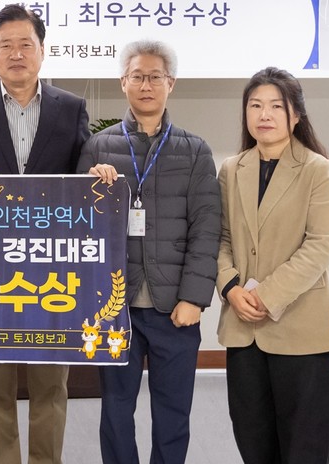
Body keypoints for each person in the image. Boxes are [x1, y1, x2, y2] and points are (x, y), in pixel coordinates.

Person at [0, 4, 90, 464]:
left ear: (42, 50)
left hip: (52, 268)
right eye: (5, 45)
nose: (16, 53)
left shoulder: (71, 107)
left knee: (51, 381)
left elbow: (84, 180)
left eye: (26, 44)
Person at [77, 39, 221, 464]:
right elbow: (79, 226)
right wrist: (90, 186)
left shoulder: (195, 150)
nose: (145, 85)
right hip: (114, 306)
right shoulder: (98, 147)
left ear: (170, 83)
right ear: (123, 82)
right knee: (115, 409)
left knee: (173, 410)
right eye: (137, 76)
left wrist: (194, 298)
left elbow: (207, 229)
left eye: (155, 77)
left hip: (174, 306)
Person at [216, 67, 329, 464]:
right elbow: (220, 238)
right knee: (252, 439)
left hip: (300, 325)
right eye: (255, 105)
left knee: (303, 444)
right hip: (242, 328)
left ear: (296, 114)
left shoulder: (317, 169)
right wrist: (231, 289)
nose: (264, 114)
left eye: (276, 106)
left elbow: (319, 246)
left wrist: (265, 296)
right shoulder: (231, 168)